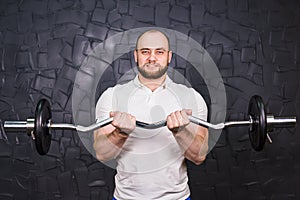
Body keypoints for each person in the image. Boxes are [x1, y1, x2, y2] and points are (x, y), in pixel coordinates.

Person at [93, 30, 209, 200]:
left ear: (169, 56)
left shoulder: (191, 97)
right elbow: (102, 153)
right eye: (145, 52)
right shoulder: (112, 96)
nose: (152, 58)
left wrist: (180, 132)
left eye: (159, 52)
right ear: (136, 56)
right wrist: (121, 133)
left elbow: (199, 156)